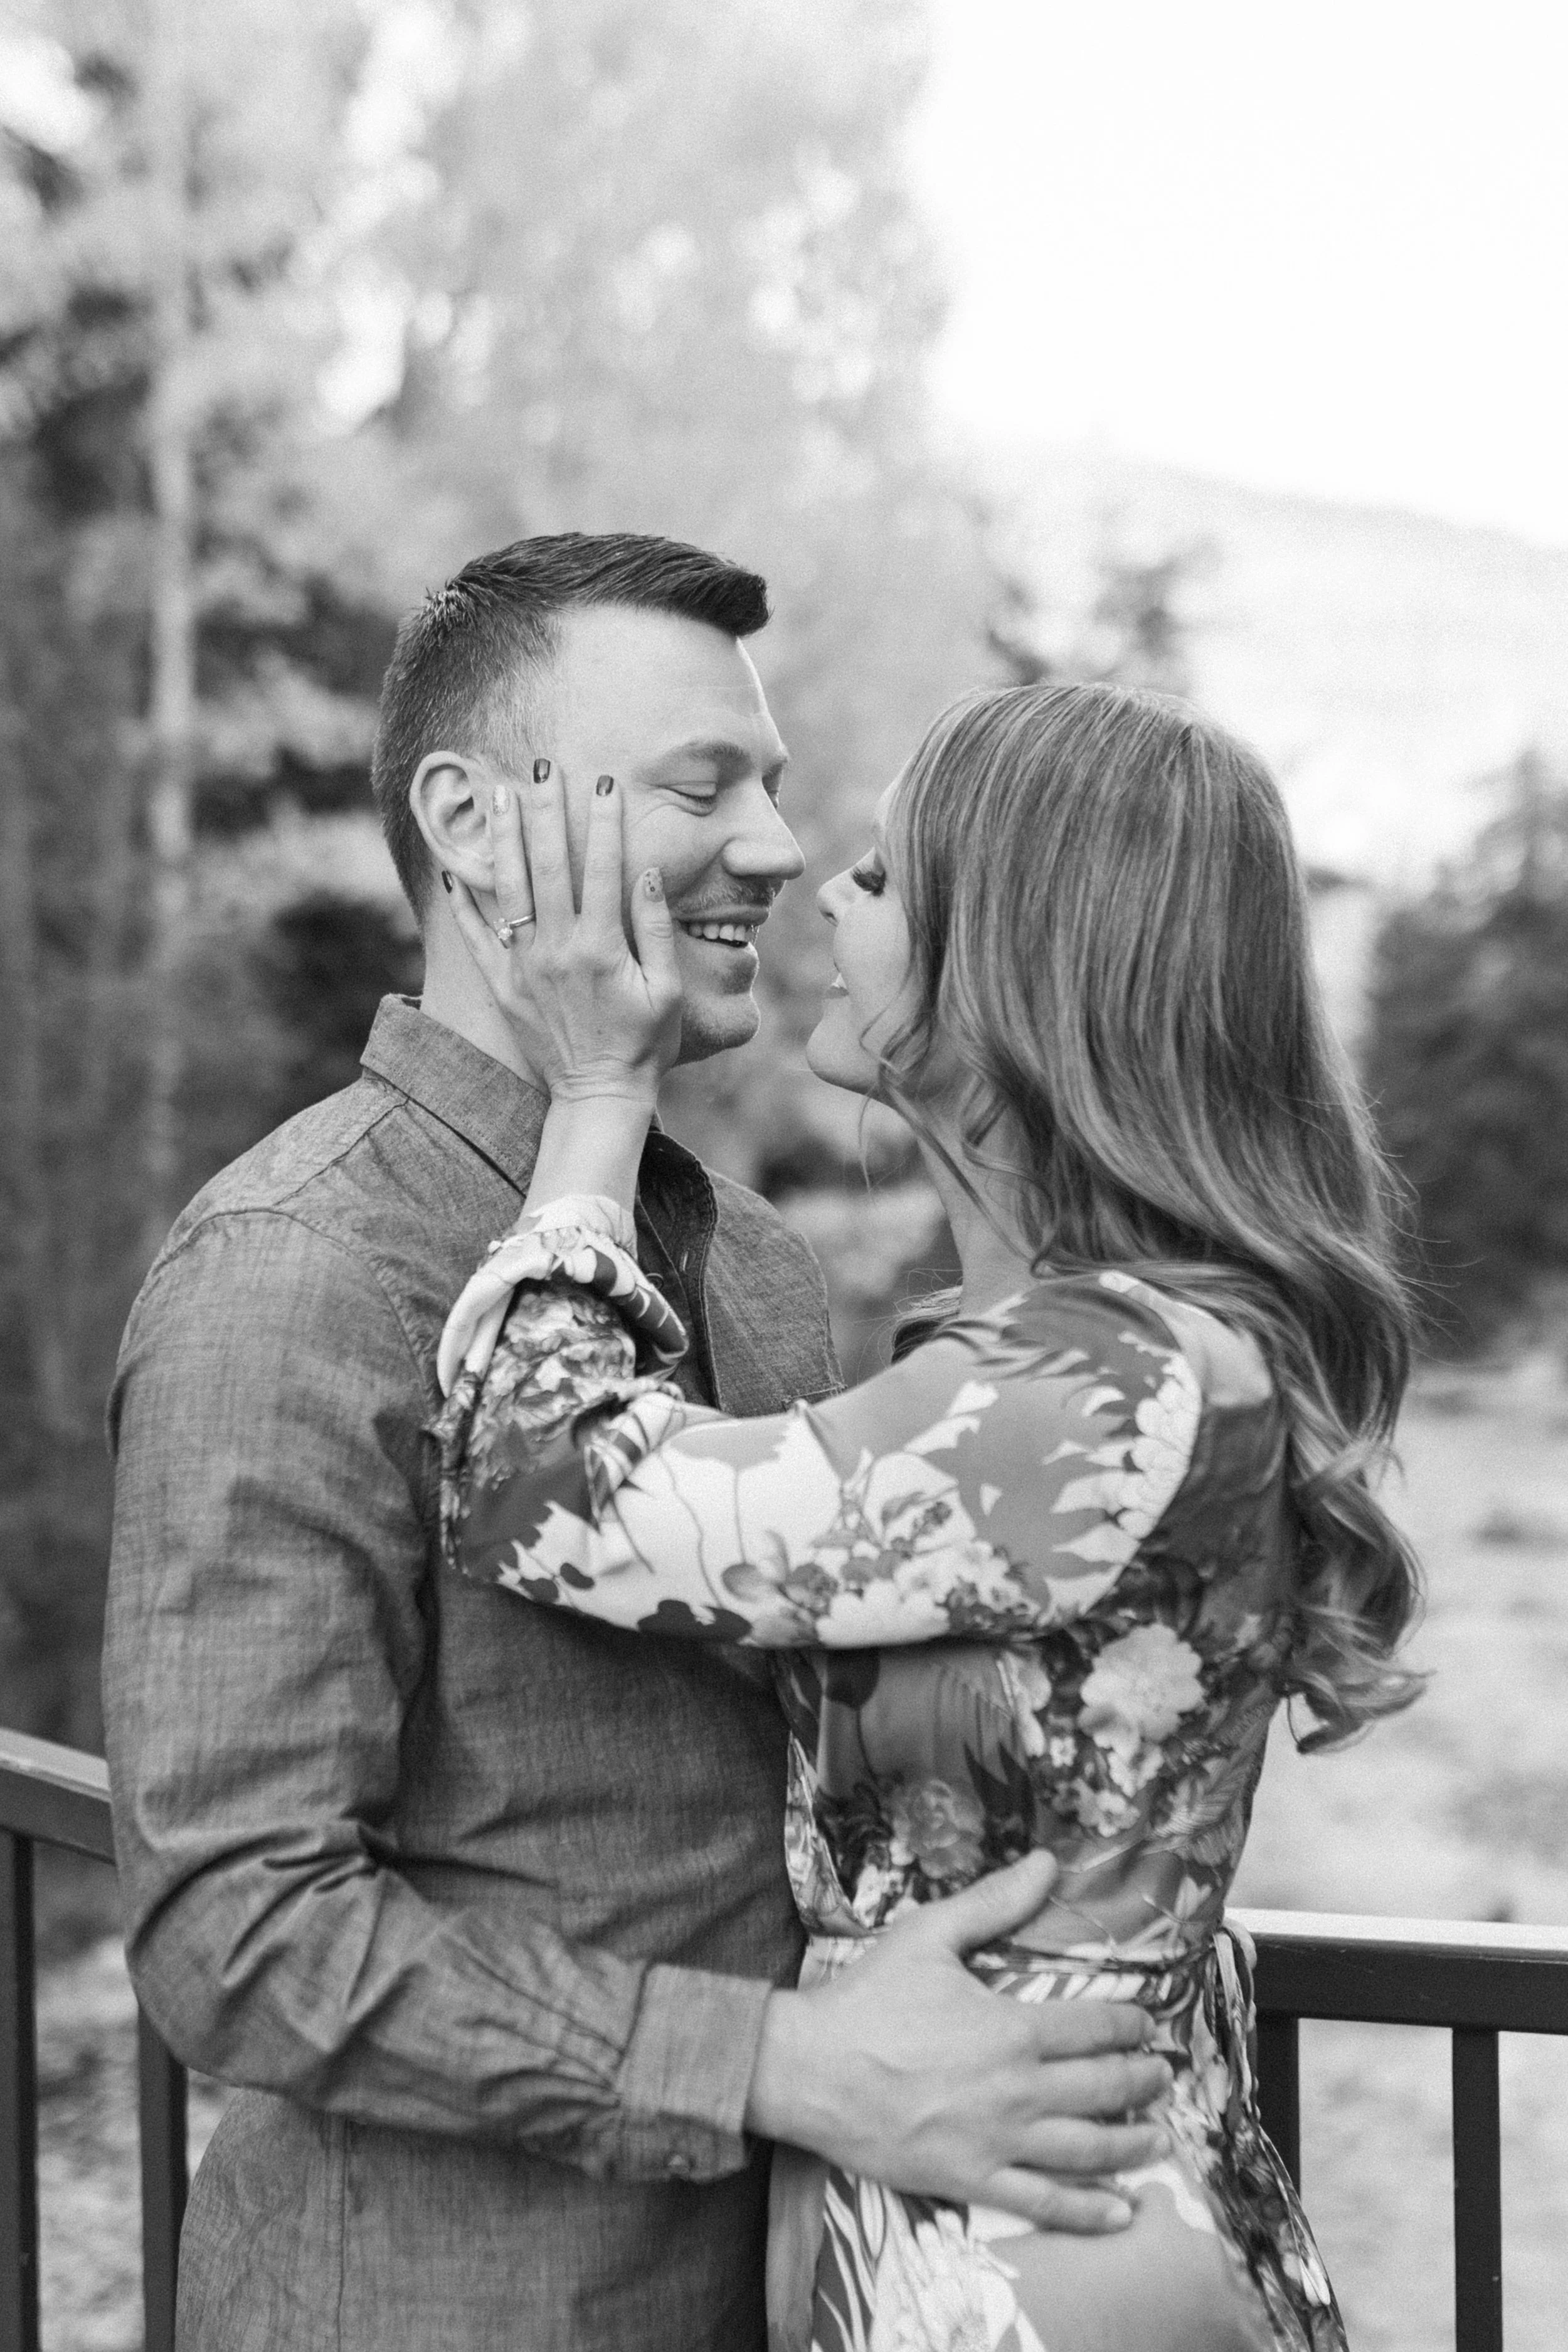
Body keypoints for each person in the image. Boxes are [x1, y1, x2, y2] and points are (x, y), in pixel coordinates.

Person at [103, 536, 1172, 2352]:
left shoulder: (751, 1264)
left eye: (769, 784)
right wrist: (782, 2063)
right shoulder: (293, 1268)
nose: (774, 844)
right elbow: (238, 1929)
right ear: (471, 822)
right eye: (702, 785)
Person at [433, 677, 1426, 2351]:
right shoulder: (1067, 1356)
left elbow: (537, 1481)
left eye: (887, 875)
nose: (824, 889)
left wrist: (597, 1091)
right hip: (980, 2196)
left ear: (1026, 964)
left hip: (1048, 2251)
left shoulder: (1099, 1383)